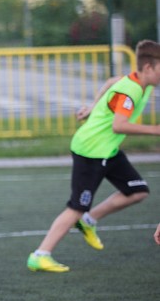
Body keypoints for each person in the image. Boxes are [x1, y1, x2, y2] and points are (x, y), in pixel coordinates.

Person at [27, 40, 160, 272]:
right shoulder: (131, 90)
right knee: (77, 206)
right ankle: (41, 254)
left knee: (138, 191)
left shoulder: (140, 83)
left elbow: (110, 82)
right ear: (149, 68)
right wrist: (155, 130)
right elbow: (119, 125)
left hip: (107, 150)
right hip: (91, 151)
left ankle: (89, 220)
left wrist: (92, 106)